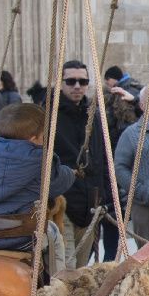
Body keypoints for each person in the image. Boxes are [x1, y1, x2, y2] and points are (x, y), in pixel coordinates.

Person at [0, 102, 75, 252]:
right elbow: (59, 183)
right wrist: (69, 172)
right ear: (34, 139)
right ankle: (56, 275)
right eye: (43, 136)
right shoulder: (39, 159)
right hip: (19, 237)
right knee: (54, 233)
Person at [51, 59, 119, 265]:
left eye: (83, 81)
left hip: (90, 203)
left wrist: (106, 196)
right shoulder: (50, 116)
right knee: (66, 270)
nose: (77, 86)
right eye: (71, 81)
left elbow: (104, 159)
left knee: (81, 270)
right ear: (60, 83)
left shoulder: (94, 116)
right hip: (62, 204)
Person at [114, 83, 149, 244]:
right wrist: (140, 191)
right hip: (147, 207)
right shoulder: (131, 134)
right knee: (148, 257)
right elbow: (120, 167)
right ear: (142, 104)